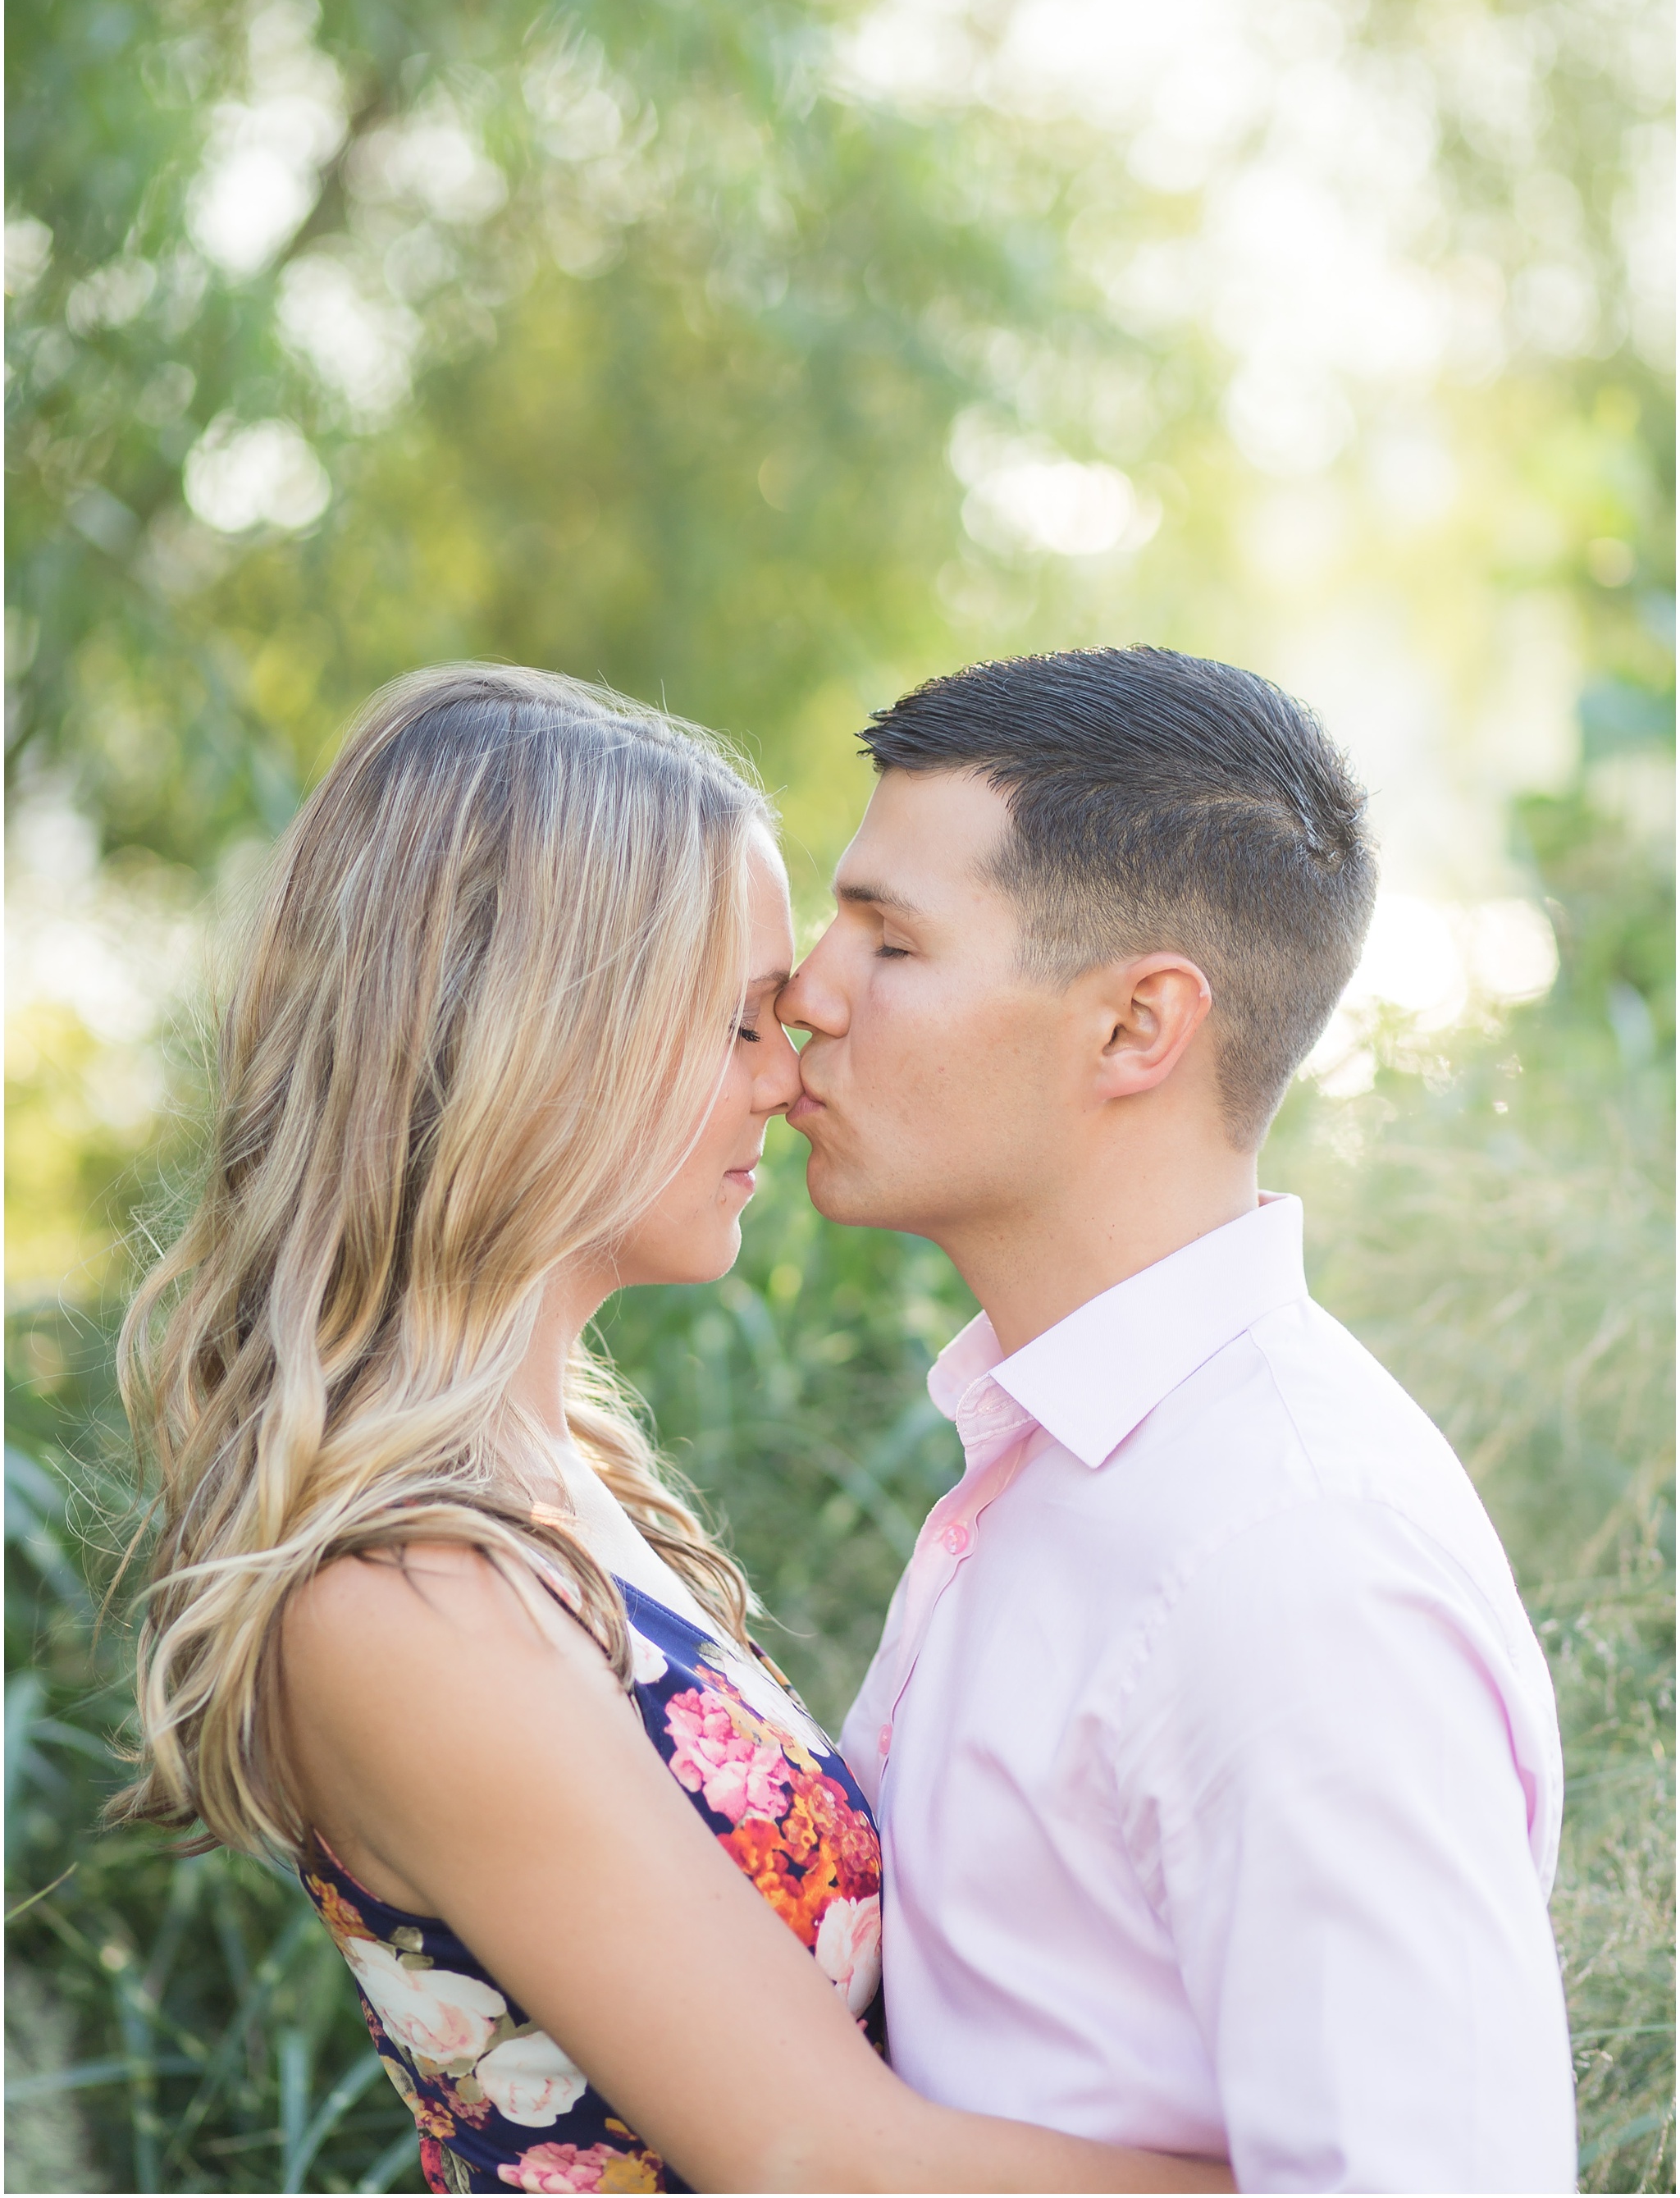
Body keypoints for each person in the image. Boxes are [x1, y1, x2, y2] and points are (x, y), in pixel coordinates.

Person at [112, 662, 1230, 2198]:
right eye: (736, 1022)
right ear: (539, 1042)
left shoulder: (558, 1479)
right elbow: (825, 2163)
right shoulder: (400, 1600)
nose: (787, 1077)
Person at [777, 645, 1578, 2197]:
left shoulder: (1296, 1565)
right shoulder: (1067, 1461)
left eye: (889, 940)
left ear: (1137, 1029)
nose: (809, 992)